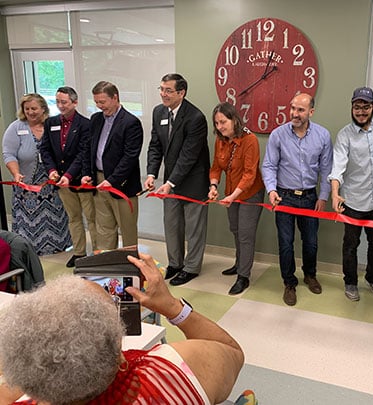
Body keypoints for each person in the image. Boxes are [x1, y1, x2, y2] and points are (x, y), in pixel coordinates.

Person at [0, 252, 245, 404]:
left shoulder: (15, 395)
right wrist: (172, 307)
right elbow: (230, 350)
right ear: (119, 354)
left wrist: (37, 371)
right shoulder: (170, 371)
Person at [262, 93, 333, 306]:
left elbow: (327, 169)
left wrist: (323, 197)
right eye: (292, 108)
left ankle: (310, 275)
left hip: (310, 197)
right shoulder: (278, 135)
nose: (295, 113)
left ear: (311, 112)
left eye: (300, 110)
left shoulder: (322, 136)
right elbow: (269, 166)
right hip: (284, 197)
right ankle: (289, 282)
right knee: (286, 243)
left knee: (311, 242)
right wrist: (271, 190)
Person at [144, 73, 210, 286]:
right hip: (169, 181)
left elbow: (188, 156)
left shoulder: (195, 117)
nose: (163, 94)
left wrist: (170, 183)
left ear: (181, 93)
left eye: (168, 90)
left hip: (192, 181)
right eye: (161, 89)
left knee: (194, 229)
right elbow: (155, 145)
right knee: (171, 225)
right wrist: (152, 174)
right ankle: (175, 263)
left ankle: (191, 267)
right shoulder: (158, 112)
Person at [328, 87, 373, 301]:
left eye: (365, 107)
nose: (361, 111)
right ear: (352, 108)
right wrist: (335, 194)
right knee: (351, 246)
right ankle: (350, 282)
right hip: (353, 201)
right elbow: (338, 168)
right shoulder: (345, 135)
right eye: (357, 107)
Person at [2, 93, 71, 255]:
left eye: (34, 108)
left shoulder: (53, 124)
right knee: (29, 217)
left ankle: (58, 245)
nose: (30, 112)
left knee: (55, 211)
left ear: (43, 109)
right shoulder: (16, 127)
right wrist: (16, 173)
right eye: (27, 109)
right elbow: (8, 154)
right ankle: (29, 249)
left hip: (51, 179)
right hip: (26, 180)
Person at [208, 102, 265, 295]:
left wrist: (232, 196)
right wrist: (214, 186)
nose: (220, 127)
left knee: (246, 234)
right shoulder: (220, 140)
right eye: (216, 123)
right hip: (231, 192)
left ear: (234, 120)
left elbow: (250, 175)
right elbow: (216, 166)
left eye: (223, 122)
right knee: (235, 229)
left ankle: (244, 276)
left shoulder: (250, 140)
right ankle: (240, 263)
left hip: (249, 193)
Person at [82, 81, 143, 250]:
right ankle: (107, 266)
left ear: (115, 97)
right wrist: (87, 173)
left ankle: (129, 267)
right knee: (104, 228)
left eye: (103, 102)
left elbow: (130, 157)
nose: (100, 106)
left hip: (121, 185)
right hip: (99, 182)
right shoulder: (95, 119)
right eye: (96, 102)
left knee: (127, 229)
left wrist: (113, 180)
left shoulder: (131, 122)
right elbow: (89, 149)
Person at [40, 86, 97, 267]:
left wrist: (69, 174)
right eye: (57, 102)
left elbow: (83, 153)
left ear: (75, 102)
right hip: (61, 181)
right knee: (73, 217)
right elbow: (45, 149)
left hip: (81, 178)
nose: (60, 106)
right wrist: (51, 171)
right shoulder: (51, 123)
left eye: (64, 102)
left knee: (92, 218)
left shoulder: (86, 124)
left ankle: (96, 253)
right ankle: (79, 252)